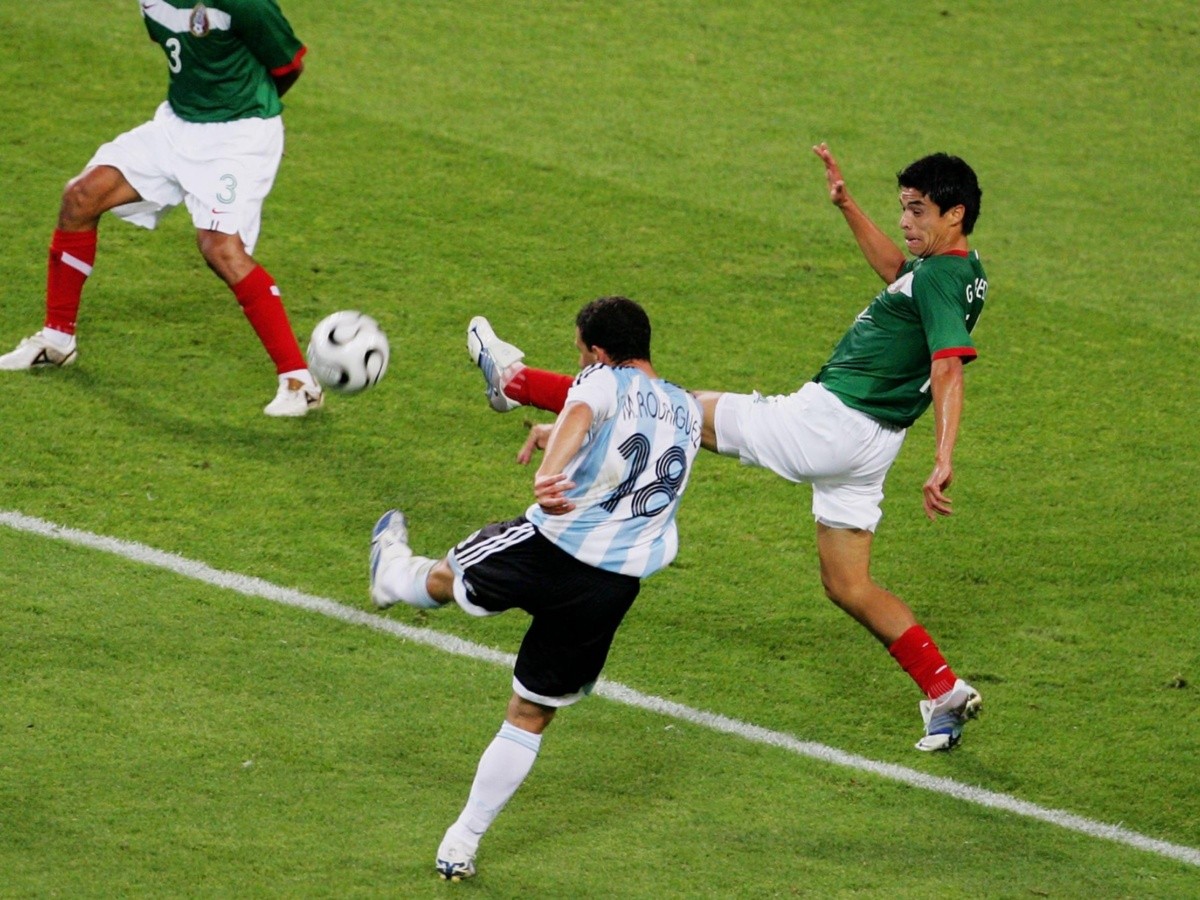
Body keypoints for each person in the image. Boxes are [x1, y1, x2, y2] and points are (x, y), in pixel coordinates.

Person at [466, 144, 988, 752]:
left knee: (674, 407)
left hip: (828, 422)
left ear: (954, 215)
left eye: (918, 211)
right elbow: (899, 271)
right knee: (849, 585)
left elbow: (949, 368)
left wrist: (945, 457)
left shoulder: (943, 280)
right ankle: (945, 691)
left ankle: (514, 382)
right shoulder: (961, 271)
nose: (905, 221)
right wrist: (848, 208)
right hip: (873, 444)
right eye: (902, 208)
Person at [371, 296, 702, 880]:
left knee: (450, 577)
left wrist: (552, 469)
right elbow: (615, 437)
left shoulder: (603, 378)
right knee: (529, 713)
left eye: (581, 351)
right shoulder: (687, 409)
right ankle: (460, 842)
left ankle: (392, 573)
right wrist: (562, 437)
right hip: (612, 584)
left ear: (599, 352)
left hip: (550, 548)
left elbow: (582, 413)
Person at [0, 0, 322, 417]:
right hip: (175, 128)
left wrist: (237, 104)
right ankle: (56, 340)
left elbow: (288, 65)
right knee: (81, 196)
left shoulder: (243, 3)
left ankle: (300, 381)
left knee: (220, 248)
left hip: (237, 142)